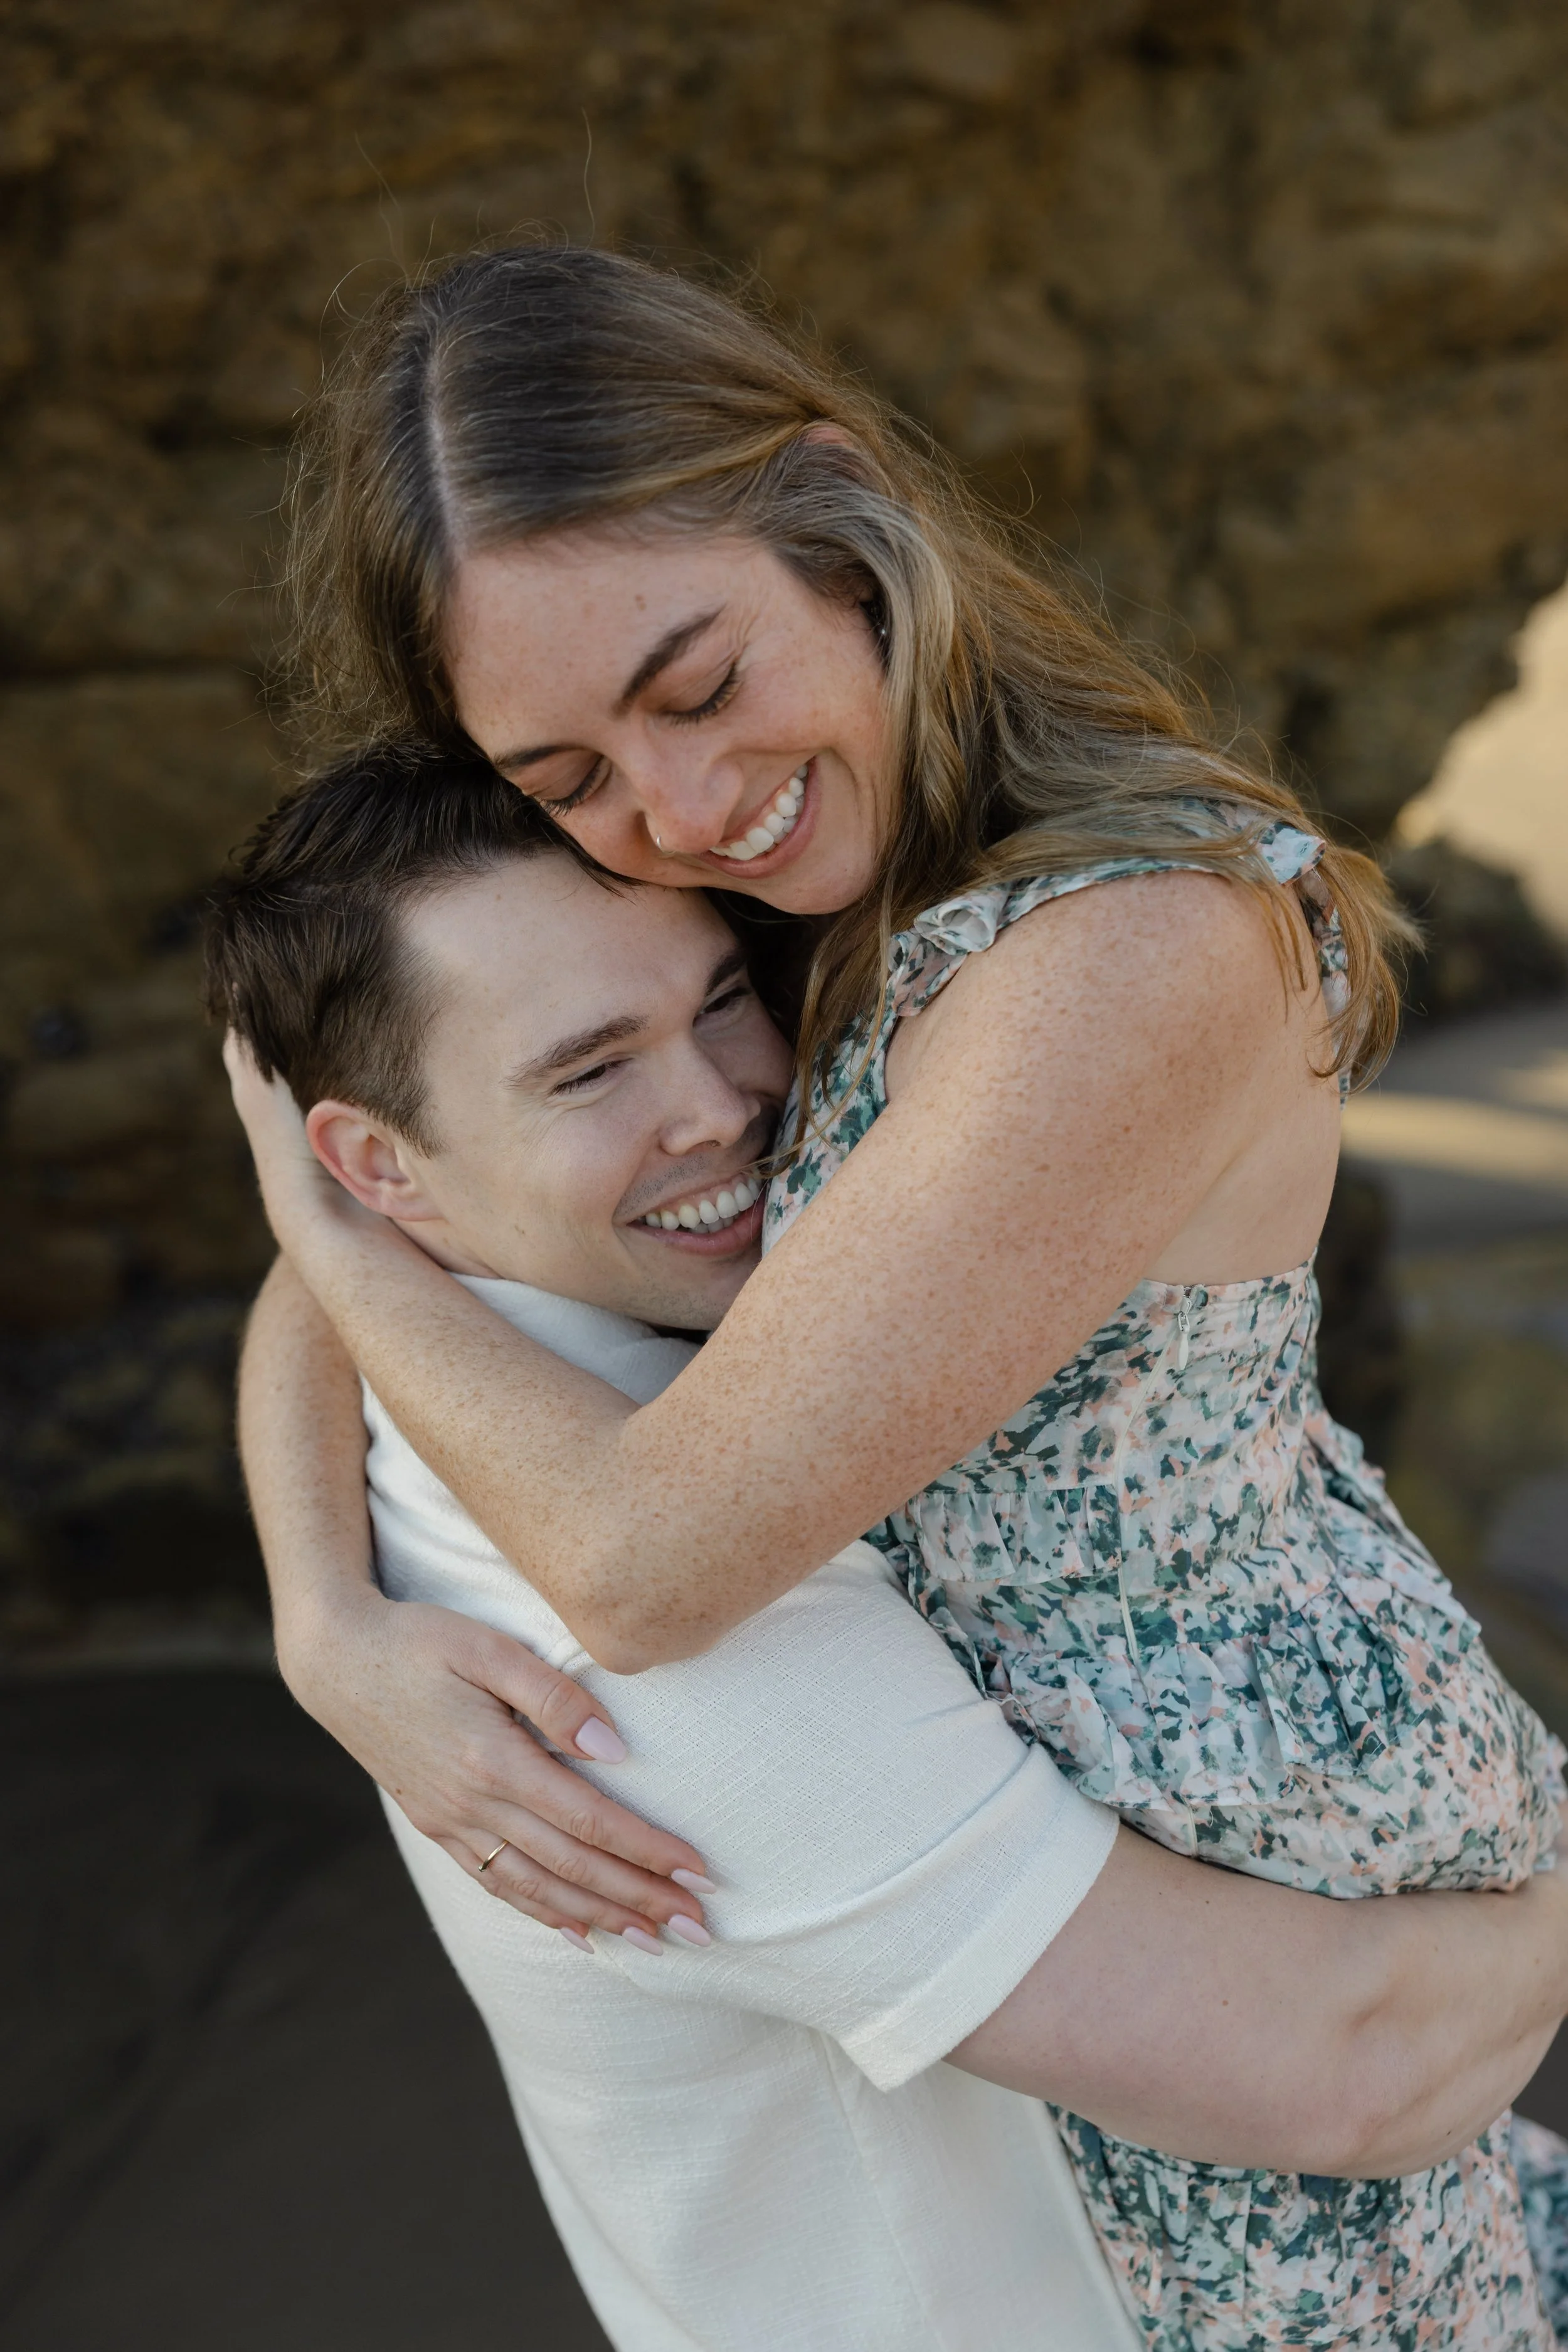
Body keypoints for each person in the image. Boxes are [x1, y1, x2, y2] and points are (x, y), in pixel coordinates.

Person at [231, 246, 1568, 2341]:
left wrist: (316, 1231)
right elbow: (427, 1196)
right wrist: (319, 1613)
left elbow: (646, 1560)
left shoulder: (1119, 946)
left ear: (834, 516)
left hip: (1276, 1885)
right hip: (1113, 1910)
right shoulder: (770, 889)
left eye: (695, 683)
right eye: (566, 778)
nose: (669, 810)